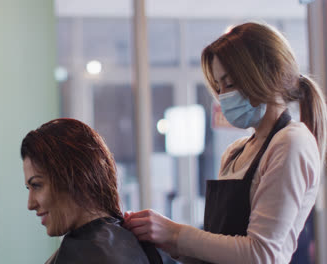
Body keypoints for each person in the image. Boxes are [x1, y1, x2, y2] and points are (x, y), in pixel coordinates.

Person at [124, 22, 327, 264]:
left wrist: (177, 233)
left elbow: (261, 255)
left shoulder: (291, 143)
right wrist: (168, 241)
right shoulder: (235, 152)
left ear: (265, 73)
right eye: (219, 87)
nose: (223, 97)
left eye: (229, 84)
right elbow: (220, 245)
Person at [21, 118, 163, 264]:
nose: (30, 204)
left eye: (37, 185)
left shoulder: (81, 256)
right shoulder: (145, 246)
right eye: (29, 188)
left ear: (75, 177)